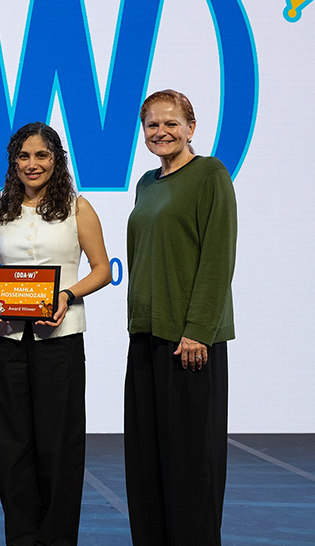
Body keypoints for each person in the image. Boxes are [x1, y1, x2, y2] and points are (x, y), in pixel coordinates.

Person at [0, 122, 110, 546]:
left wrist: (67, 296)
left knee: (59, 443)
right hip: (7, 338)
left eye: (41, 155)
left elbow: (102, 269)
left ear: (57, 160)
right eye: (23, 156)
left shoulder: (77, 208)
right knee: (10, 443)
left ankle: (56, 539)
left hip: (61, 339)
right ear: (12, 161)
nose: (32, 164)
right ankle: (21, 537)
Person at [125, 90, 236, 546]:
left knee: (192, 462)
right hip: (146, 335)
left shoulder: (210, 174)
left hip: (189, 340)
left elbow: (217, 258)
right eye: (152, 125)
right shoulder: (146, 183)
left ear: (191, 127)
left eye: (171, 123)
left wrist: (198, 332)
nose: (161, 132)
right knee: (146, 459)